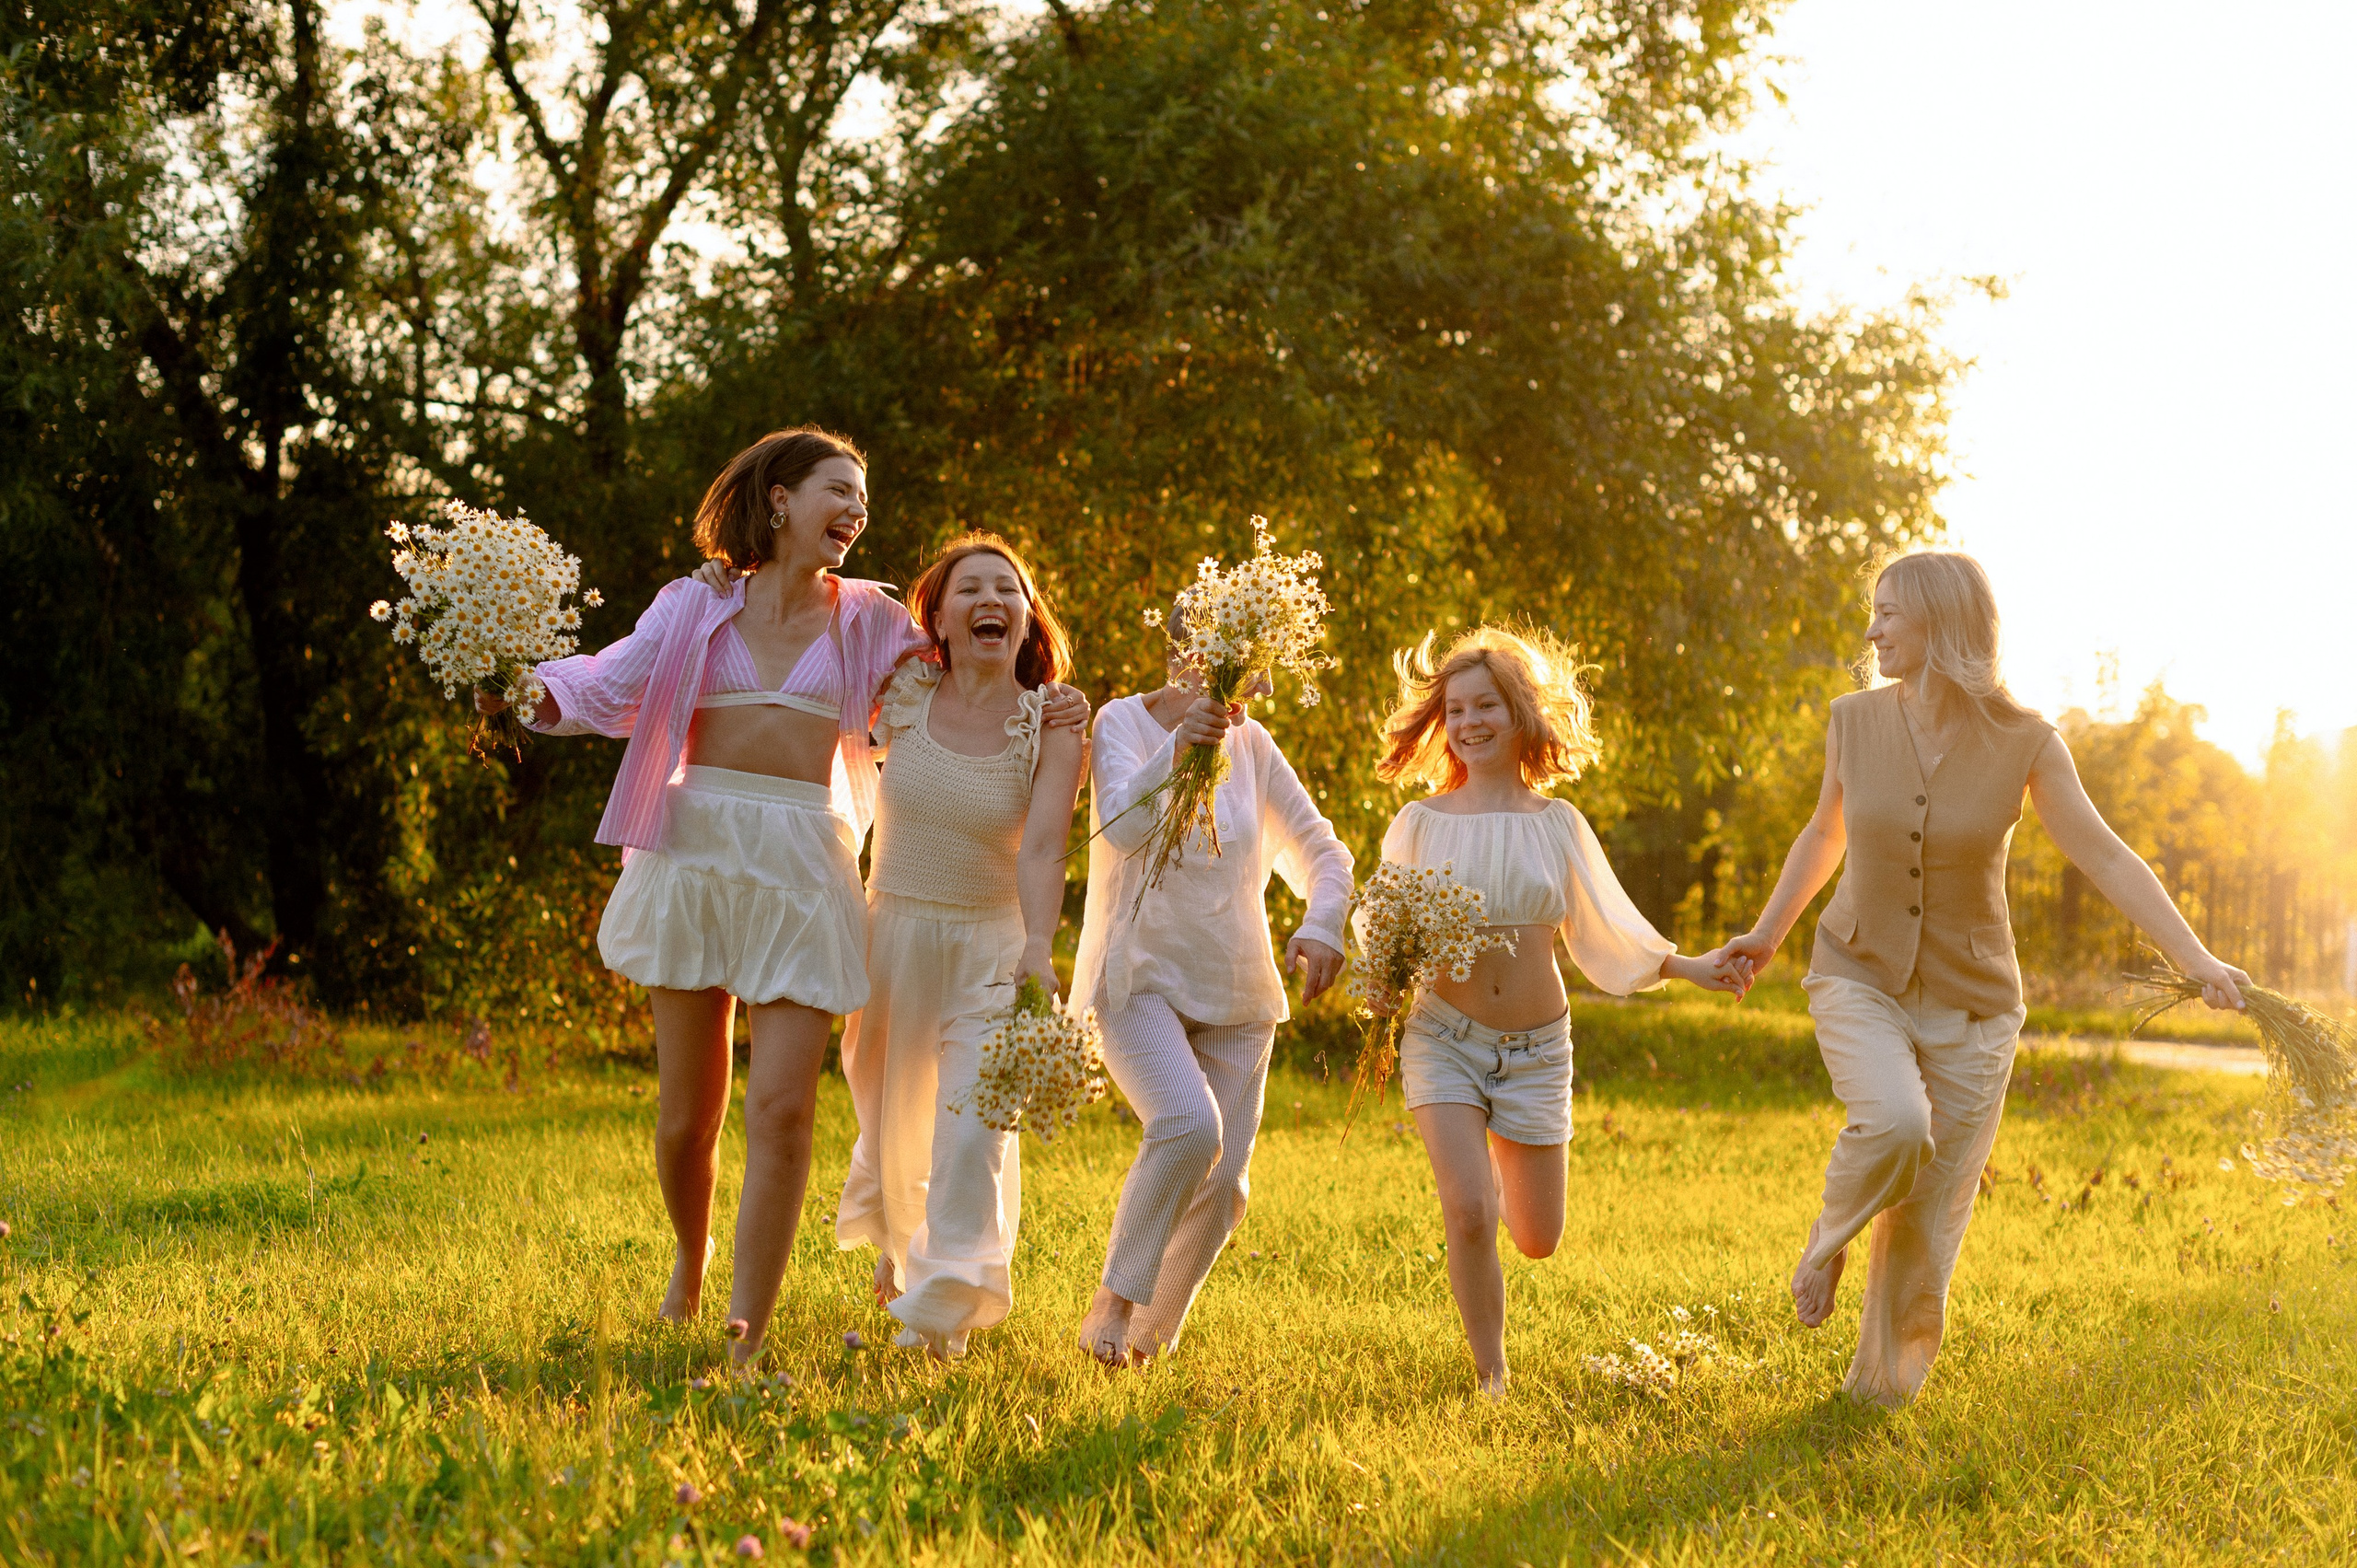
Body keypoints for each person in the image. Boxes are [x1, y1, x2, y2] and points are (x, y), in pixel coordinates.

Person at [1719, 550, 2248, 1406]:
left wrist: (2197, 959)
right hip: (1859, 972)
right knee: (1893, 1123)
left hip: (1975, 1002)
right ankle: (1829, 1235)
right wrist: (1769, 933)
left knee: (1930, 1212)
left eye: (1890, 612)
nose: (1872, 627)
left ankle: (1876, 1397)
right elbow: (1825, 833)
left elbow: (2106, 856)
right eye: (1875, 611)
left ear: (1944, 622)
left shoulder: (2026, 740)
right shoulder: (1853, 719)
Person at [1371, 625, 1747, 1399]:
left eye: (1487, 706)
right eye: (1457, 708)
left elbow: (1607, 922)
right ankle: (1491, 1376)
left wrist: (1690, 966)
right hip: (1443, 1037)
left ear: (1521, 716)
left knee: (1538, 1238)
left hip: (1538, 1048)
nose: (1470, 722)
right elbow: (1381, 926)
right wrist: (1382, 982)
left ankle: (1492, 1171)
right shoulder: (1419, 823)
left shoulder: (1557, 823)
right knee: (1470, 1212)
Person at [1071, 608, 1353, 1368]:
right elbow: (1122, 827)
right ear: (1191, 652)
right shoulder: (1122, 722)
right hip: (1136, 975)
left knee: (1225, 1181)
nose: (1259, 684)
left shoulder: (1255, 745)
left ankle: (1144, 1347)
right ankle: (1114, 1302)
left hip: (1235, 980)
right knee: (1190, 1124)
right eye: (1246, 661)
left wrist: (1323, 922)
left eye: (1266, 664)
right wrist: (1181, 744)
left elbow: (1322, 851)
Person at [827, 534, 1086, 1359]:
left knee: (975, 1134)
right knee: (895, 1130)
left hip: (994, 949)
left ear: (1026, 616)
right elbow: (826, 618)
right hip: (891, 941)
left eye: (1007, 589)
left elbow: (1046, 847)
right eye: (969, 589)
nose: (991, 601)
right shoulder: (901, 689)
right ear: (935, 616)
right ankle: (907, 1259)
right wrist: (736, 574)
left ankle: (940, 1317)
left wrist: (1040, 946)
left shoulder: (1051, 721)